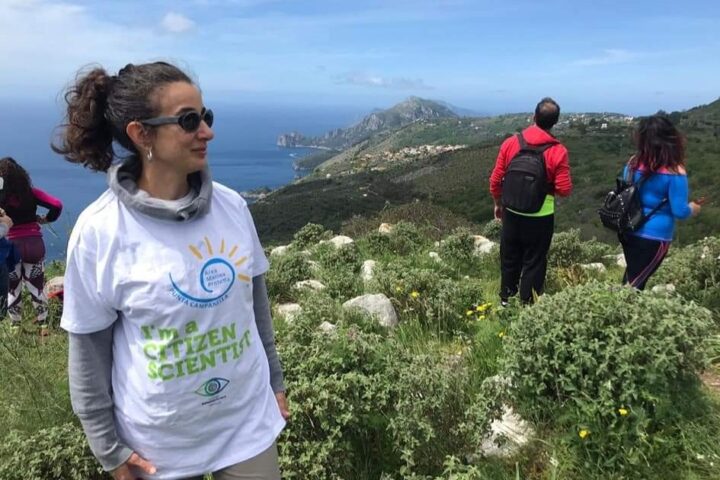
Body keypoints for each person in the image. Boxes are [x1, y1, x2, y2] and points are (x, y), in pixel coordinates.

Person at [53, 62, 289, 480]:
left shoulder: (232, 208)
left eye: (206, 116)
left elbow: (256, 308)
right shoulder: (100, 232)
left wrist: (275, 382)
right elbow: (89, 353)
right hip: (159, 449)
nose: (207, 131)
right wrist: (108, 449)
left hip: (247, 424)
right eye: (188, 120)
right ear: (141, 134)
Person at [489, 97, 572, 305]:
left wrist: (498, 204)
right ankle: (527, 305)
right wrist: (545, 186)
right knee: (534, 261)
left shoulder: (511, 143)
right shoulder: (558, 151)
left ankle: (506, 300)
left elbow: (495, 180)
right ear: (555, 122)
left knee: (509, 257)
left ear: (534, 116)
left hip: (511, 211)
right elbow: (564, 190)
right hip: (540, 216)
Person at [619, 114, 702, 290]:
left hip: (629, 230)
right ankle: (617, 315)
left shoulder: (633, 163)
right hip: (655, 236)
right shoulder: (675, 172)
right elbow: (679, 211)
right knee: (634, 286)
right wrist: (693, 208)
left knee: (631, 278)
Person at [0, 157, 63, 334]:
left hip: (11, 247)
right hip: (34, 244)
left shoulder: (2, 198)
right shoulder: (31, 193)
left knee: (13, 288)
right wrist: (45, 219)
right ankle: (43, 326)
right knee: (37, 286)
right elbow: (56, 205)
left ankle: (15, 328)